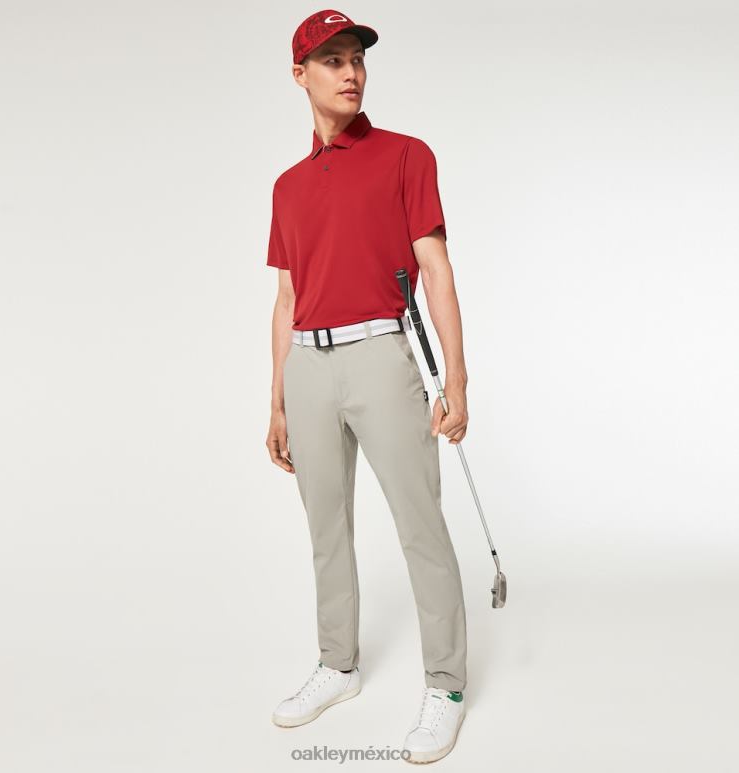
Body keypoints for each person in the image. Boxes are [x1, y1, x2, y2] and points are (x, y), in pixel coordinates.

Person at [265, 9, 470, 764]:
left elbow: (436, 268)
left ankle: (446, 684)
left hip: (382, 355)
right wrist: (277, 398)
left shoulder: (406, 155)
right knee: (325, 525)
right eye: (332, 60)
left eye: (356, 58)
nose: (350, 72)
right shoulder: (287, 186)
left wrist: (456, 377)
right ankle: (338, 663)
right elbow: (286, 296)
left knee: (420, 523)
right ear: (300, 75)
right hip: (307, 365)